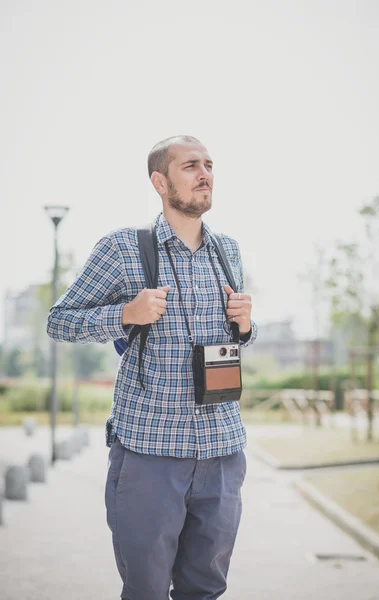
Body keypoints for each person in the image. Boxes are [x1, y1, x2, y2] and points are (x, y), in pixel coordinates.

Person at [47, 135, 258, 600]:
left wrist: (245, 327)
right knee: (144, 590)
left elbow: (233, 340)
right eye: (190, 166)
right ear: (160, 182)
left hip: (222, 450)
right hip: (150, 453)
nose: (204, 174)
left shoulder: (229, 251)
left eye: (208, 164)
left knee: (206, 588)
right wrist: (125, 313)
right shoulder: (124, 248)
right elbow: (60, 322)